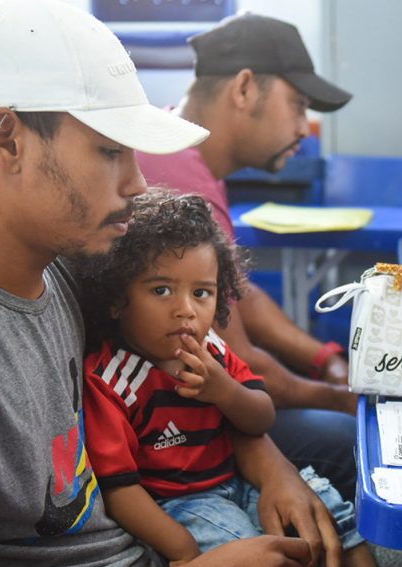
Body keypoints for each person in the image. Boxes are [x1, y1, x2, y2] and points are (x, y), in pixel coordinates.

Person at [0, 2, 371, 567]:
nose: (137, 182)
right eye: (110, 151)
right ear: (6, 139)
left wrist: (270, 464)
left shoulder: (63, 262)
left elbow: (195, 366)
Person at [77, 190, 402, 567]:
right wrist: (185, 555)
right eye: (161, 290)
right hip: (180, 505)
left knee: (329, 507)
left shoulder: (211, 352)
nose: (186, 309)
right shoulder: (110, 380)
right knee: (251, 554)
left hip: (235, 480)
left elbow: (260, 416)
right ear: (115, 301)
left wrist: (223, 390)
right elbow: (119, 488)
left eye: (201, 293)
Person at [135, 13, 360, 498]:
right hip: (167, 427)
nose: (305, 127)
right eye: (298, 105)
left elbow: (239, 292)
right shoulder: (181, 184)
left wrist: (324, 357)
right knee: (350, 442)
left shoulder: (183, 154)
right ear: (243, 88)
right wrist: (343, 400)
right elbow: (240, 360)